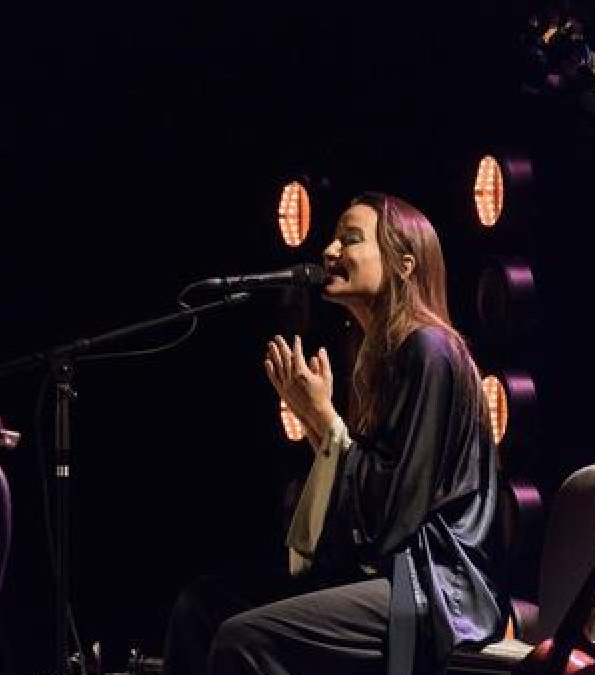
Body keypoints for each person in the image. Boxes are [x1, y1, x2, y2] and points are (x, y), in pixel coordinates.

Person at [162, 193, 508, 675]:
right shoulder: (381, 359)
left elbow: (394, 517)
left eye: (350, 239)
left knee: (246, 639)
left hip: (435, 585)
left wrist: (325, 423)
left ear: (405, 264)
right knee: (202, 606)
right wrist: (319, 430)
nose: (328, 251)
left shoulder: (428, 350)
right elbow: (366, 505)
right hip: (389, 571)